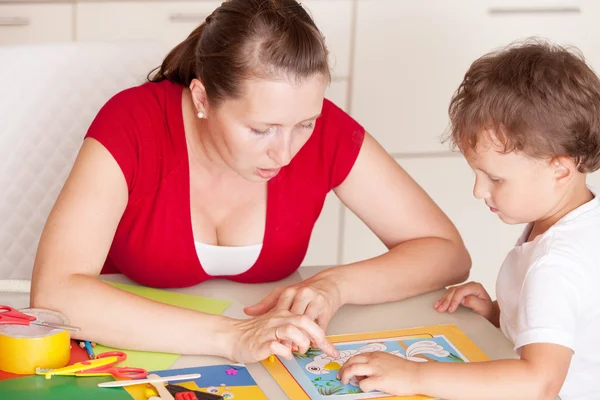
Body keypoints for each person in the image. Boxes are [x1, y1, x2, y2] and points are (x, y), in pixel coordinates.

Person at [30, 0, 470, 363]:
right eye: (261, 130)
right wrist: (232, 337)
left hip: (259, 367)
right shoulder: (132, 123)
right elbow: (55, 292)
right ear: (202, 98)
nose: (286, 152)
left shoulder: (321, 131)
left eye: (305, 124)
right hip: (125, 356)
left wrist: (333, 285)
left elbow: (445, 251)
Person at [338, 40, 600, 399]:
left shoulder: (554, 264)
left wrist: (415, 375)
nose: (478, 191)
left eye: (495, 178)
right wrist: (499, 315)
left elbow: (539, 383)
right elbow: (572, 332)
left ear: (560, 170)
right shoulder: (581, 224)